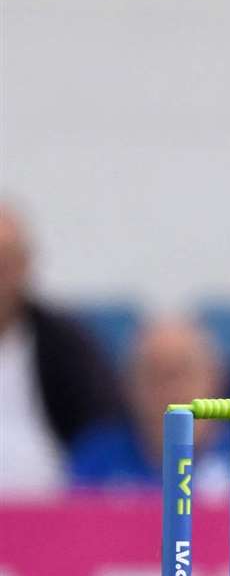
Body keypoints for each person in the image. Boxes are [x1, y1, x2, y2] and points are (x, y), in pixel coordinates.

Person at [0, 203, 122, 496]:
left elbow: (102, 437)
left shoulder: (66, 346)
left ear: (26, 266)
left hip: (51, 515)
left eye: (5, 264)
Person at [69, 317, 229, 489]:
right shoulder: (96, 461)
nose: (171, 390)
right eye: (153, 375)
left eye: (182, 373)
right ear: (127, 385)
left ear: (216, 379)